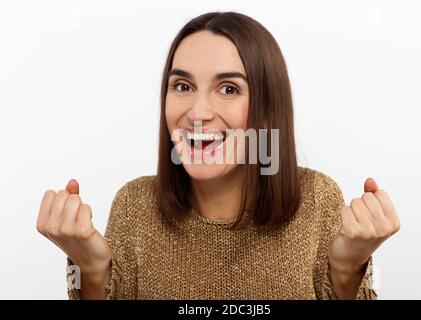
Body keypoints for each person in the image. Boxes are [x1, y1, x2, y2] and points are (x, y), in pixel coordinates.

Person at [36, 11, 400, 300]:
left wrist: (350, 266)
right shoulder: (134, 206)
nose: (197, 113)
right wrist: (90, 268)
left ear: (266, 105)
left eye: (228, 88)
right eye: (183, 86)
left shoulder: (318, 200)